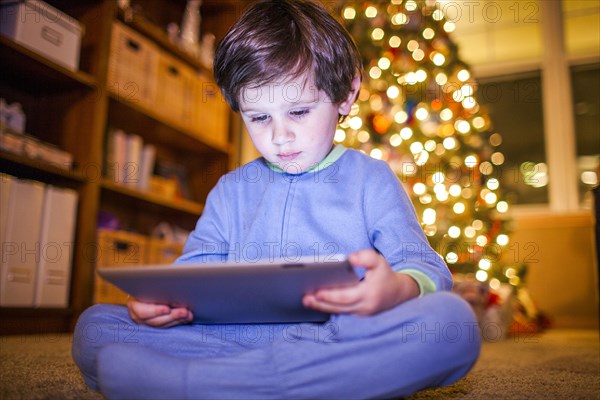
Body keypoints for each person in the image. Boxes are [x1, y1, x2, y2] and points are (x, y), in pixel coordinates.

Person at [72, 0, 481, 398]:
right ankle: (258, 381)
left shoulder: (370, 179)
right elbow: (195, 272)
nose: (279, 136)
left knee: (453, 323)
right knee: (95, 326)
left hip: (336, 339)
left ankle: (207, 385)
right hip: (231, 341)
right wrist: (159, 306)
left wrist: (398, 289)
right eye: (260, 117)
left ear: (346, 95)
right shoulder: (230, 191)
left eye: (299, 112)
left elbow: (424, 266)